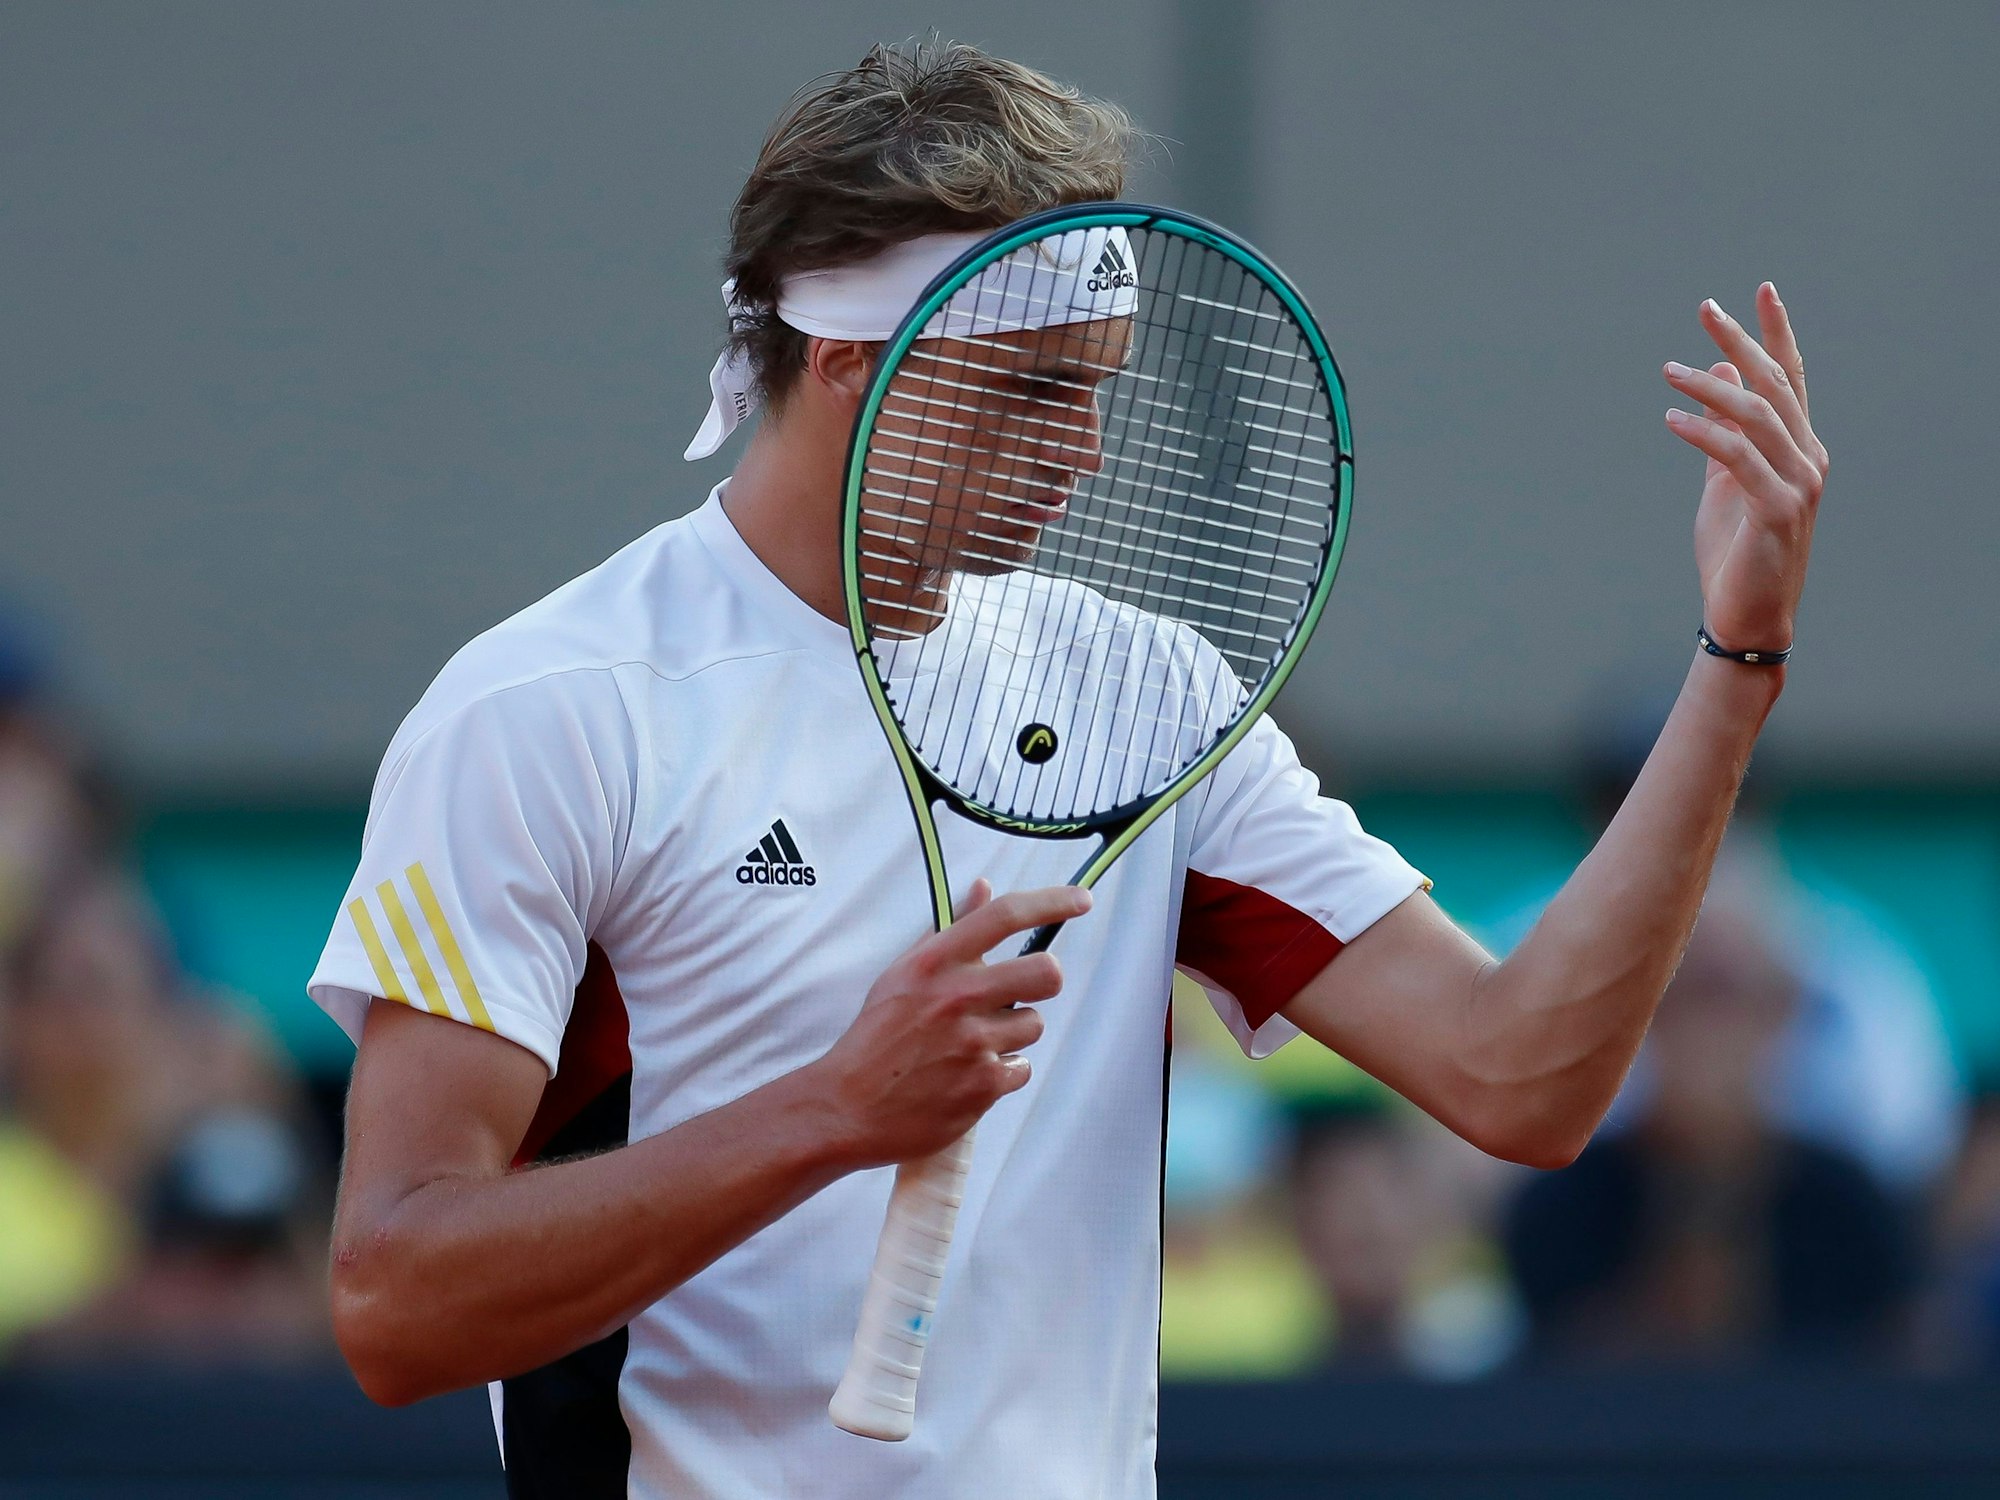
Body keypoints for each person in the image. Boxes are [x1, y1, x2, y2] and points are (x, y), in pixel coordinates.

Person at [312, 39, 1830, 1500]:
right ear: (849, 358)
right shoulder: (550, 711)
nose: (1087, 452)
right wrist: (835, 1111)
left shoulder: (1146, 692)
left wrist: (1735, 666)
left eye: (1100, 387)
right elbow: (395, 1305)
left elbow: (1524, 1078)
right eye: (1036, 388)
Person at [1503, 901, 1914, 1362]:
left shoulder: (1851, 1210)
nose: (1706, 1031)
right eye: (1674, 996)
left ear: (1780, 1016)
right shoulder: (1558, 1208)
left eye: (1724, 997)